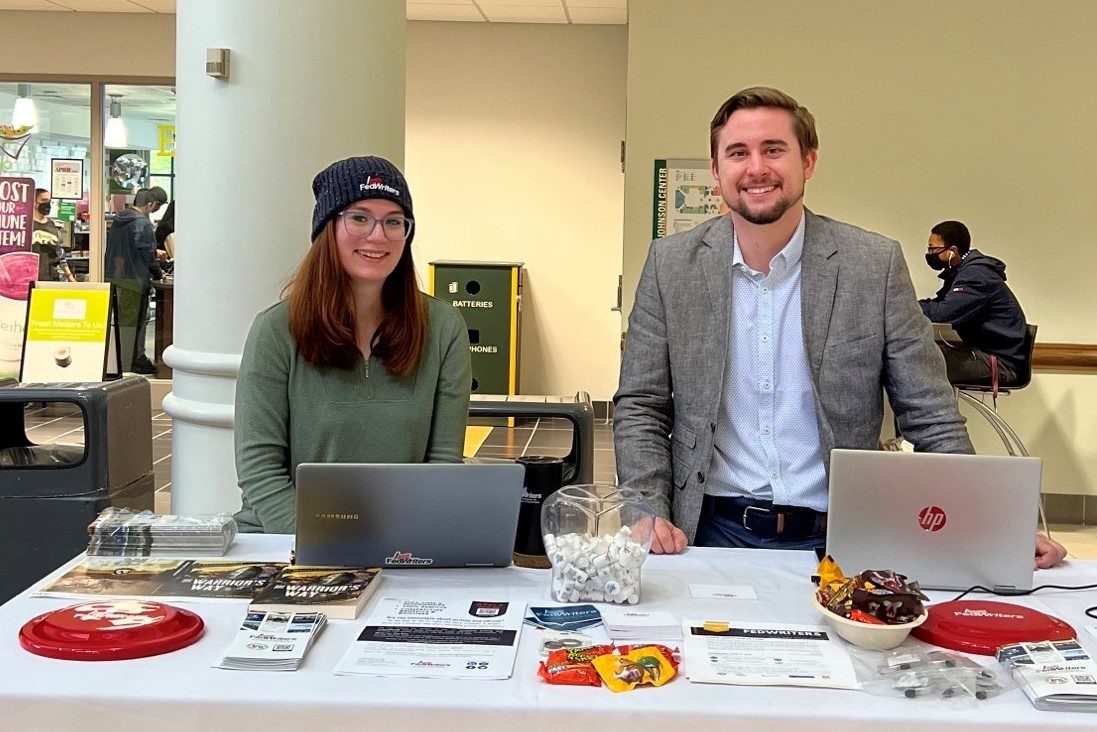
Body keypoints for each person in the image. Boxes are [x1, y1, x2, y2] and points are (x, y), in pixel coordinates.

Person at [613, 86, 1065, 568]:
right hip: (704, 535)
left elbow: (929, 410)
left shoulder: (873, 265)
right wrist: (644, 510)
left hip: (839, 542)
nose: (756, 168)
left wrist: (991, 519)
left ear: (808, 161)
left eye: (774, 149)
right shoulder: (671, 265)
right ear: (717, 170)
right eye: (738, 153)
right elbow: (642, 404)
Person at [233, 156, 472, 534]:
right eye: (359, 218)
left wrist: (405, 543)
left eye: (394, 221)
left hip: (398, 537)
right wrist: (322, 546)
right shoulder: (276, 330)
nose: (378, 236)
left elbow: (442, 462)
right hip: (284, 537)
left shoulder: (443, 328)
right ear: (328, 228)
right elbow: (260, 471)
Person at [919, 220, 1027, 387]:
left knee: (912, 366)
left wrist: (905, 306)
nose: (929, 254)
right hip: (987, 355)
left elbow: (943, 313)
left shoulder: (976, 276)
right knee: (912, 358)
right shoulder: (963, 272)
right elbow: (939, 305)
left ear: (952, 252)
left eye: (933, 249)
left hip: (1000, 364)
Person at [104, 186, 166, 374]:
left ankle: (124, 361)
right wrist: (158, 273)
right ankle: (127, 364)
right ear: (150, 204)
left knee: (123, 322)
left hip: (116, 276)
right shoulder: (142, 223)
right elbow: (146, 253)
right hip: (134, 280)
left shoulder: (119, 219)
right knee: (132, 323)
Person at [31, 188, 76, 283]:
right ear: (33, 202)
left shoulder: (54, 227)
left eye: (49, 201)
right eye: (44, 201)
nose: (47, 204)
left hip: (52, 279)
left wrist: (70, 278)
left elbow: (60, 256)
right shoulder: (25, 225)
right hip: (30, 279)